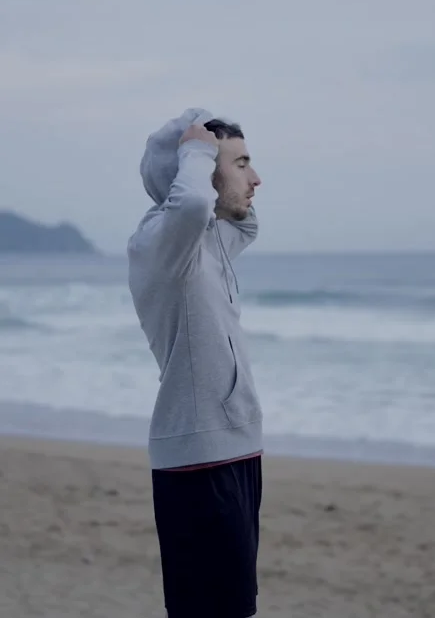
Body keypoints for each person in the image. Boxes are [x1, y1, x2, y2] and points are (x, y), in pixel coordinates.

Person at [127, 107, 263, 618]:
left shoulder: (208, 242)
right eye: (241, 163)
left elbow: (246, 226)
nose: (255, 179)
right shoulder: (162, 241)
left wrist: (209, 143)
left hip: (240, 448)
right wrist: (194, 145)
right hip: (197, 460)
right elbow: (186, 206)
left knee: (235, 608)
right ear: (200, 169)